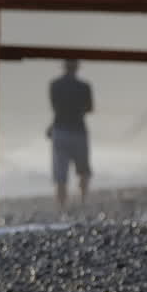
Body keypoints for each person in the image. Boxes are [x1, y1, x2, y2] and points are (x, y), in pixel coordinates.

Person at [48, 59, 94, 209]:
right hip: (78, 129)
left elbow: (54, 106)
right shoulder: (84, 86)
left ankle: (62, 205)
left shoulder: (54, 85)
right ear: (77, 68)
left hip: (60, 129)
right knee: (83, 169)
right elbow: (89, 108)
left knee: (60, 172)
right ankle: (83, 200)